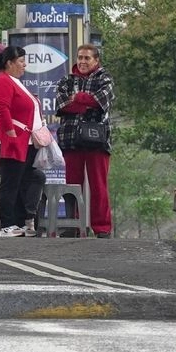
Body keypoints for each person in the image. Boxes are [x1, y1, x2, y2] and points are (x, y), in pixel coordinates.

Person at [54, 43, 115, 238]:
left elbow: (102, 101)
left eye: (87, 58)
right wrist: (86, 103)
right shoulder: (66, 80)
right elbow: (61, 105)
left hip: (97, 140)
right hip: (70, 139)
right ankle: (74, 225)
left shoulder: (105, 78)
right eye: (80, 57)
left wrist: (77, 98)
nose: (82, 61)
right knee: (72, 185)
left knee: (99, 185)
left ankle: (102, 227)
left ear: (96, 60)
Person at [0, 46, 48, 238]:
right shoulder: (2, 82)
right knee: (11, 182)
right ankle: (7, 224)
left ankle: (21, 221)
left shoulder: (17, 82)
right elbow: (1, 109)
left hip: (26, 142)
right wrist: (11, 134)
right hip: (12, 140)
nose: (25, 65)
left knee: (26, 180)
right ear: (10, 63)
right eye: (21, 61)